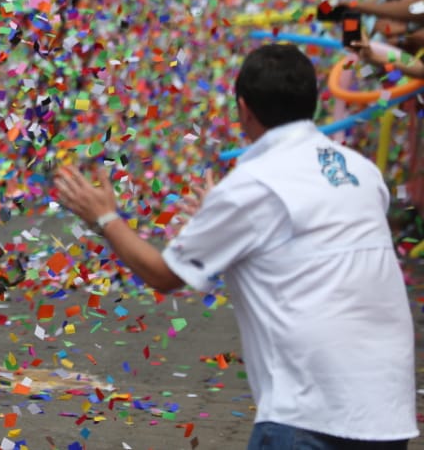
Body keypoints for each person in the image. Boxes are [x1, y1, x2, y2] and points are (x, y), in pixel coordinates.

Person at [54, 43, 417, 449]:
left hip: (312, 410)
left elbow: (163, 274)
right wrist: (222, 213)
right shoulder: (361, 171)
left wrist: (105, 217)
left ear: (244, 108)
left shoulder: (255, 182)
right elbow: (302, 237)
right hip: (386, 408)